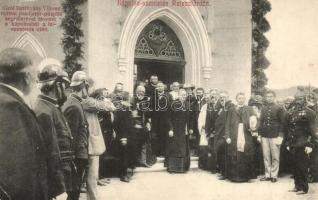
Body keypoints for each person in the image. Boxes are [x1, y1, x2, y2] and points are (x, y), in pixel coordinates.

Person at [0, 48, 49, 200]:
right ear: (27, 77)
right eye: (36, 76)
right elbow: (18, 173)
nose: (36, 81)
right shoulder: (11, 106)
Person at [35, 65, 73, 200]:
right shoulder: (44, 111)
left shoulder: (51, 107)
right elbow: (51, 153)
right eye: (64, 86)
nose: (66, 91)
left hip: (64, 175)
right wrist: (59, 189)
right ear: (57, 86)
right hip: (56, 184)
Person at [82, 82, 116, 200]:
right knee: (92, 175)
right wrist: (106, 101)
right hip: (90, 142)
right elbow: (111, 107)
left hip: (89, 142)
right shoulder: (87, 101)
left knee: (89, 175)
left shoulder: (87, 101)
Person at [62, 71, 90, 200]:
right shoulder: (73, 105)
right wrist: (72, 158)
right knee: (74, 192)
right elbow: (70, 136)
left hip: (79, 154)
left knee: (75, 190)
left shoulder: (75, 102)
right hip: (76, 156)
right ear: (84, 86)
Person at [285, 92, 317, 195]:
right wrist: (288, 143)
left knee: (302, 166)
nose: (299, 101)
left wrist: (310, 145)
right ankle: (297, 186)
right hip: (293, 143)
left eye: (301, 99)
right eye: (297, 99)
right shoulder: (291, 112)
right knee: (294, 166)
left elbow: (313, 131)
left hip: (303, 143)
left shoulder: (310, 113)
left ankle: (304, 188)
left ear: (305, 99)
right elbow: (289, 129)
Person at [225, 92, 257, 182]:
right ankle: (235, 177)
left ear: (245, 99)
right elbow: (227, 123)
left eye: (242, 98)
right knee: (235, 155)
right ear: (236, 99)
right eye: (239, 98)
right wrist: (227, 136)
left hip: (246, 134)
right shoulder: (231, 109)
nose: (241, 100)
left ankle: (245, 177)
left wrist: (253, 128)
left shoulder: (249, 109)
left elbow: (255, 120)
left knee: (245, 155)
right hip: (234, 134)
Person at [110, 83, 135, 182]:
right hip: (122, 136)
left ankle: (125, 172)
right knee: (123, 154)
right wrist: (124, 137)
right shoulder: (120, 111)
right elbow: (120, 125)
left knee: (127, 154)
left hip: (128, 135)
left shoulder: (127, 110)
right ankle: (123, 175)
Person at [259, 90, 286, 183]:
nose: (269, 98)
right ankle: (267, 174)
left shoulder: (279, 108)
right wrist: (259, 133)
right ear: (266, 98)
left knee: (275, 156)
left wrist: (281, 135)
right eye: (268, 96)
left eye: (271, 96)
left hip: (275, 135)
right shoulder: (263, 108)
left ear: (274, 97)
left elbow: (283, 123)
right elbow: (261, 122)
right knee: (266, 155)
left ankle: (274, 175)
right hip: (264, 135)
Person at [166, 89, 194, 173]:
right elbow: (168, 118)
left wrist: (190, 128)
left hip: (184, 130)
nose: (184, 96)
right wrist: (170, 129)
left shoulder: (187, 104)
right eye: (182, 95)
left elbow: (191, 118)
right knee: (175, 148)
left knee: (183, 149)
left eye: (185, 95)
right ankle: (173, 168)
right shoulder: (173, 104)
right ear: (178, 95)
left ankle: (182, 168)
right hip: (175, 130)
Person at [131, 85, 155, 167]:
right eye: (140, 91)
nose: (141, 93)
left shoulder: (146, 101)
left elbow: (149, 113)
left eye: (143, 92)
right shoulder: (132, 100)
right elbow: (131, 114)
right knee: (135, 144)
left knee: (144, 143)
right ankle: (135, 162)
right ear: (136, 91)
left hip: (144, 124)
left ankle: (143, 161)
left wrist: (148, 122)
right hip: (134, 125)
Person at [213, 90, 234, 180]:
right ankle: (222, 172)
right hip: (218, 133)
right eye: (221, 97)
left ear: (228, 97)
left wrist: (228, 134)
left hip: (225, 134)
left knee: (225, 154)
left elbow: (231, 122)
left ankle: (226, 173)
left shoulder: (231, 107)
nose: (222, 99)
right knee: (220, 153)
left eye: (224, 97)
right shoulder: (218, 106)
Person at [151, 82, 172, 157]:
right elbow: (151, 107)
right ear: (156, 87)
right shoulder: (153, 96)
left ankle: (164, 152)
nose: (159, 88)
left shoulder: (168, 95)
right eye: (158, 86)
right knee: (157, 135)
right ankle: (157, 152)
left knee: (164, 135)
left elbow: (171, 107)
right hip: (156, 119)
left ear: (164, 87)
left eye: (161, 86)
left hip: (165, 119)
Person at [204, 88, 220, 173]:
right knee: (211, 149)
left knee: (218, 149)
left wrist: (215, 131)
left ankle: (219, 167)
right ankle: (213, 167)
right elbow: (207, 119)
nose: (213, 95)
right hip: (210, 131)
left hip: (218, 131)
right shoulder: (209, 105)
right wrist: (207, 132)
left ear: (217, 94)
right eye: (212, 94)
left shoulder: (221, 105)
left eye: (215, 93)